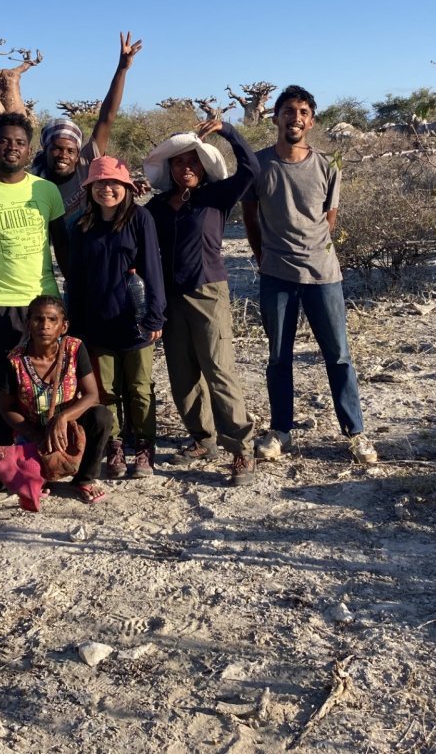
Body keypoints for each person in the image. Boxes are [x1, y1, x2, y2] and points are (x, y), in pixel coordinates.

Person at [241, 86, 377, 465]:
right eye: (288, 110)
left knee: (338, 356)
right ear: (276, 117)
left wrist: (313, 252)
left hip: (323, 275)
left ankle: (355, 432)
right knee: (278, 357)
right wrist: (262, 256)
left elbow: (327, 221)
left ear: (311, 121)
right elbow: (250, 217)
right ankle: (280, 431)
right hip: (276, 274)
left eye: (303, 112)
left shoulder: (327, 165)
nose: (295, 117)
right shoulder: (258, 164)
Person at [144, 120, 259, 486]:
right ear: (170, 168)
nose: (186, 168)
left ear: (204, 164)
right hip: (169, 296)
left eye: (192, 161)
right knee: (182, 373)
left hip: (208, 291)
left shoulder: (216, 196)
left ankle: (241, 448)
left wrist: (228, 131)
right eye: (178, 163)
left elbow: (252, 169)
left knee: (218, 369)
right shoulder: (158, 205)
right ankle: (203, 438)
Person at [0, 112, 68, 493]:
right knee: (0, 387)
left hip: (42, 305)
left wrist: (76, 295)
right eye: (4, 141)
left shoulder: (46, 191)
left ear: (29, 149)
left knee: (46, 385)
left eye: (20, 142)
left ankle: (41, 455)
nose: (12, 148)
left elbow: (63, 246)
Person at [66, 157, 166, 478]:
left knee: (139, 386)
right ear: (90, 188)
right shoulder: (81, 226)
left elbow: (152, 269)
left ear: (126, 187)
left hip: (135, 322)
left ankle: (145, 447)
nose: (107, 189)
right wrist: (75, 324)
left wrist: (155, 316)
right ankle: (115, 446)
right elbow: (76, 280)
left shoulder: (140, 219)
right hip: (96, 323)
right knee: (105, 390)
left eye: (113, 183)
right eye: (100, 183)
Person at [0, 295, 112, 504]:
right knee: (28, 485)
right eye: (38, 319)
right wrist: (36, 435)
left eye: (52, 320)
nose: (45, 326)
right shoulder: (14, 360)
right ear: (27, 324)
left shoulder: (75, 349)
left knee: (102, 416)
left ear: (64, 326)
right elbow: (6, 408)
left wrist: (62, 418)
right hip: (32, 433)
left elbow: (91, 395)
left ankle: (84, 479)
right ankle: (36, 474)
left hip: (68, 429)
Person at [30, 31, 143, 215]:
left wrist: (122, 69)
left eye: (70, 150)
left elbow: (107, 118)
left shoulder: (86, 163)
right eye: (56, 148)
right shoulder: (35, 181)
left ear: (78, 152)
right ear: (45, 148)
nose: (63, 155)